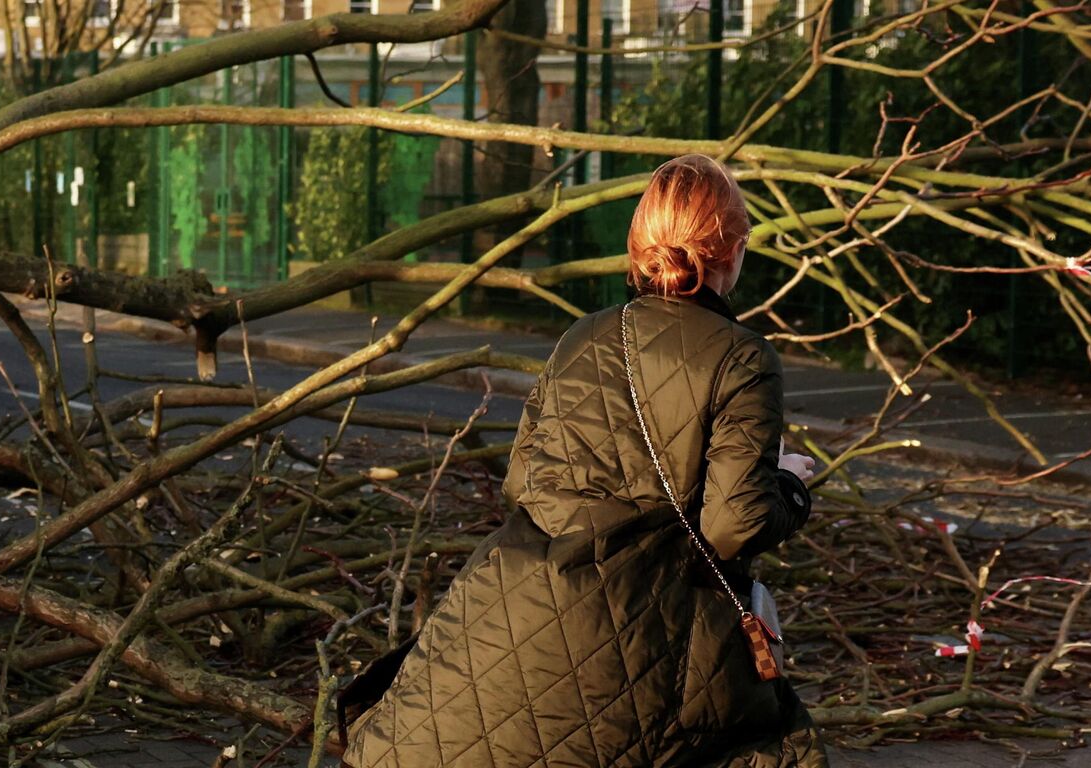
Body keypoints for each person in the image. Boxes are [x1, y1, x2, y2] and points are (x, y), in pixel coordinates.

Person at [343, 154, 828, 767]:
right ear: (729, 251)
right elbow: (733, 527)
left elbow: (523, 482)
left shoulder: (583, 334)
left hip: (521, 606)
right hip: (647, 627)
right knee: (774, 747)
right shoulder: (744, 358)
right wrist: (786, 483)